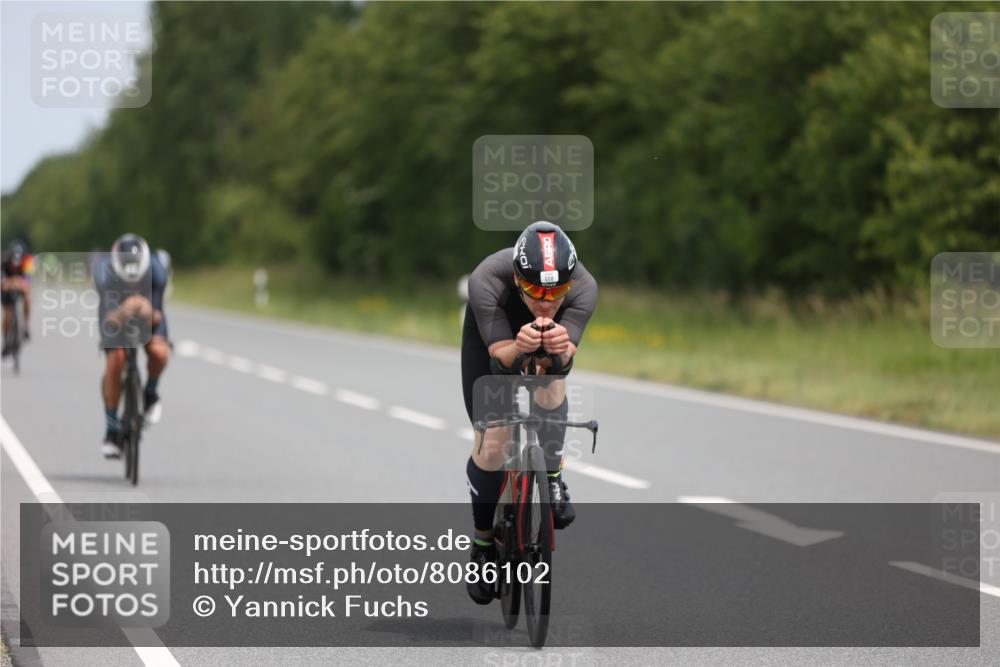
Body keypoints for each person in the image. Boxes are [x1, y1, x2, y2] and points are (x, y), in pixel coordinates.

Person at [461, 221, 597, 604]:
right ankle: (483, 543)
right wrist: (519, 347)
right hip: (494, 340)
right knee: (494, 445)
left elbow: (564, 360)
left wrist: (559, 349)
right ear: (519, 280)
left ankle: (551, 475)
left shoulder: (585, 288)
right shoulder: (488, 278)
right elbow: (503, 359)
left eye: (557, 293)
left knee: (551, 380)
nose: (545, 302)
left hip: (544, 351)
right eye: (535, 290)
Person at [93, 234, 170, 458]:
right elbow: (109, 319)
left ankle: (151, 393)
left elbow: (157, 316)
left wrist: (146, 310)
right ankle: (111, 430)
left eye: (137, 279)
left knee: (158, 351)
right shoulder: (104, 273)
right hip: (115, 312)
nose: (133, 283)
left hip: (148, 313)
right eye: (128, 279)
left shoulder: (156, 271)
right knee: (115, 362)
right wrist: (123, 311)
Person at [1, 240, 34, 346]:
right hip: (7, 288)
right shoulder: (4, 262)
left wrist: (21, 283)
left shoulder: (27, 260)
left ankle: (25, 325)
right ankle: (6, 338)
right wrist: (7, 283)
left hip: (20, 285)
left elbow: (28, 278)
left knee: (27, 298)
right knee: (7, 315)